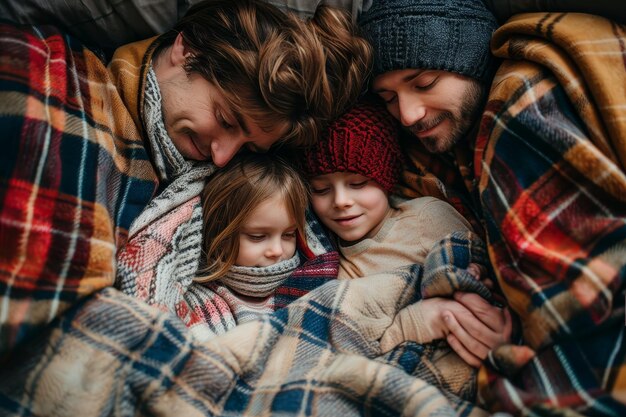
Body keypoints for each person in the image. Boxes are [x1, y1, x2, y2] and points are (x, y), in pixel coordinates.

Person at [0, 0, 372, 359]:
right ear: (186, 51)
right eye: (227, 120)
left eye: (248, 147)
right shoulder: (50, 77)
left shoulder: (220, 176)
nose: (222, 156)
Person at [359, 0, 626, 414]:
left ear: (470, 61)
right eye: (388, 97)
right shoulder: (442, 153)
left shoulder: (517, 103)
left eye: (425, 82)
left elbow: (582, 309)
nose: (407, 115)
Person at [303, 99, 500, 401]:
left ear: (386, 180)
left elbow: (476, 286)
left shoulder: (425, 219)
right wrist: (413, 323)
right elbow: (343, 346)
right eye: (320, 189)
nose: (340, 200)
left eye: (358, 182)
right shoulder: (324, 259)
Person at [187, 152, 313, 337]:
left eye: (288, 234)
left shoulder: (310, 283)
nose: (277, 251)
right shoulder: (198, 302)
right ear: (219, 235)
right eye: (257, 236)